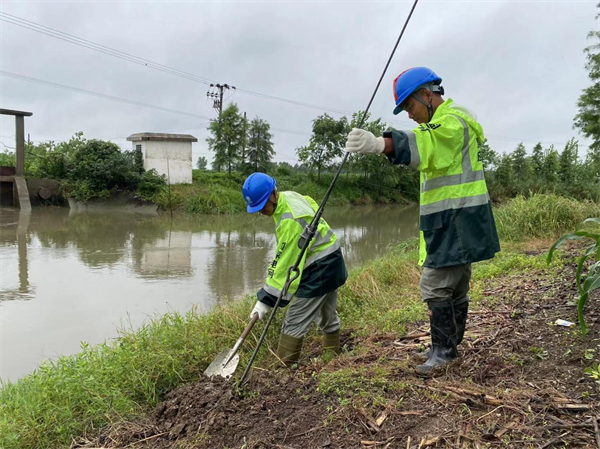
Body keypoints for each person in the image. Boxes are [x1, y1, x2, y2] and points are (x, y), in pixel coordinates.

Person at [345, 67, 500, 375]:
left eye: (409, 106)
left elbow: (428, 143)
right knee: (454, 287)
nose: (409, 114)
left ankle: (443, 353)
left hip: (455, 220)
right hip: (456, 220)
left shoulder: (452, 124)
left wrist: (381, 144)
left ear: (428, 95)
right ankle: (447, 348)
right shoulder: (449, 121)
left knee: (434, 287)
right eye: (403, 109)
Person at [242, 172, 348, 366]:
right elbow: (314, 209)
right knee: (327, 313)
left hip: (320, 269)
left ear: (273, 195)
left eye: (261, 205)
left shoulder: (289, 220)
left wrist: (265, 300)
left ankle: (284, 369)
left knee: (294, 320)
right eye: (255, 207)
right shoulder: (291, 196)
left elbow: (285, 263)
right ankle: (332, 357)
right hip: (333, 259)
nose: (260, 211)